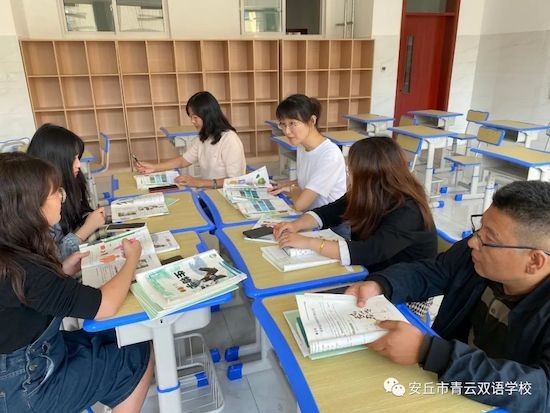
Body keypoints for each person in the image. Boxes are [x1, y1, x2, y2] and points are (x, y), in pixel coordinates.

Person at [346, 180, 550, 412]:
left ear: (535, 261)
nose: (473, 242)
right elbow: (432, 271)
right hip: (445, 381)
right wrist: (381, 284)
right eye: (480, 228)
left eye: (489, 239)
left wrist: (431, 352)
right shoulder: (475, 255)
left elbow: (541, 391)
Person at [0, 152, 153, 412]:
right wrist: (131, 259)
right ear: (29, 208)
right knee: (135, 352)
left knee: (118, 336)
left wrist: (62, 270)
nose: (62, 197)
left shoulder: (11, 256)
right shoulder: (26, 270)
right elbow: (106, 306)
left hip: (26, 366)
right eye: (55, 193)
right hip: (27, 387)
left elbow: (28, 297)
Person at [274, 136, 437, 273]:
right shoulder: (369, 192)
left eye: (351, 169)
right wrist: (295, 225)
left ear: (370, 175)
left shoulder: (408, 211)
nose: (348, 173)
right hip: (371, 271)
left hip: (400, 285)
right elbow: (331, 211)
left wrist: (309, 242)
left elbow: (369, 251)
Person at [136, 91, 246, 189]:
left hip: (226, 196)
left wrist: (199, 182)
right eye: (191, 117)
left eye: (195, 117)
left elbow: (235, 180)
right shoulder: (204, 136)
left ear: (208, 116)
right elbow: (183, 160)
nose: (192, 121)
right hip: (210, 193)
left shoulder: (230, 139)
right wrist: (154, 167)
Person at [27, 124, 106, 259]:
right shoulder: (37, 201)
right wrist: (86, 228)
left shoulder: (69, 181)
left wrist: (90, 217)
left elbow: (78, 211)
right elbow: (53, 259)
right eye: (73, 159)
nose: (78, 165)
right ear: (54, 161)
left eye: (78, 157)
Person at [268, 94, 346, 211]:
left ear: (312, 121)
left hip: (328, 220)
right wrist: (283, 185)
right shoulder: (302, 146)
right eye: (283, 124)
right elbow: (306, 181)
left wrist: (292, 188)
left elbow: (300, 205)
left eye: (292, 123)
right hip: (310, 213)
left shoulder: (330, 155)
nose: (287, 131)